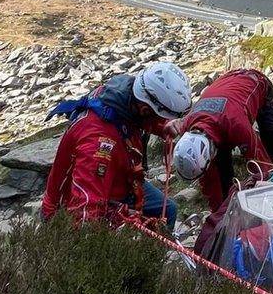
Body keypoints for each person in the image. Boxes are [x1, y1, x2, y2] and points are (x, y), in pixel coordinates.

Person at [41, 62, 192, 231]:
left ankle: (152, 253)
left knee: (167, 211)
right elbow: (85, 210)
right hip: (70, 207)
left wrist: (163, 125)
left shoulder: (123, 95)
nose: (160, 120)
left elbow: (137, 119)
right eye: (159, 117)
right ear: (144, 110)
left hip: (120, 180)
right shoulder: (99, 145)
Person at [171, 68, 273, 254]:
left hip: (256, 83)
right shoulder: (189, 128)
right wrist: (219, 218)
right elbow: (210, 180)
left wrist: (272, 209)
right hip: (224, 99)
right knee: (222, 174)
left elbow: (263, 166)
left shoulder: (237, 125)